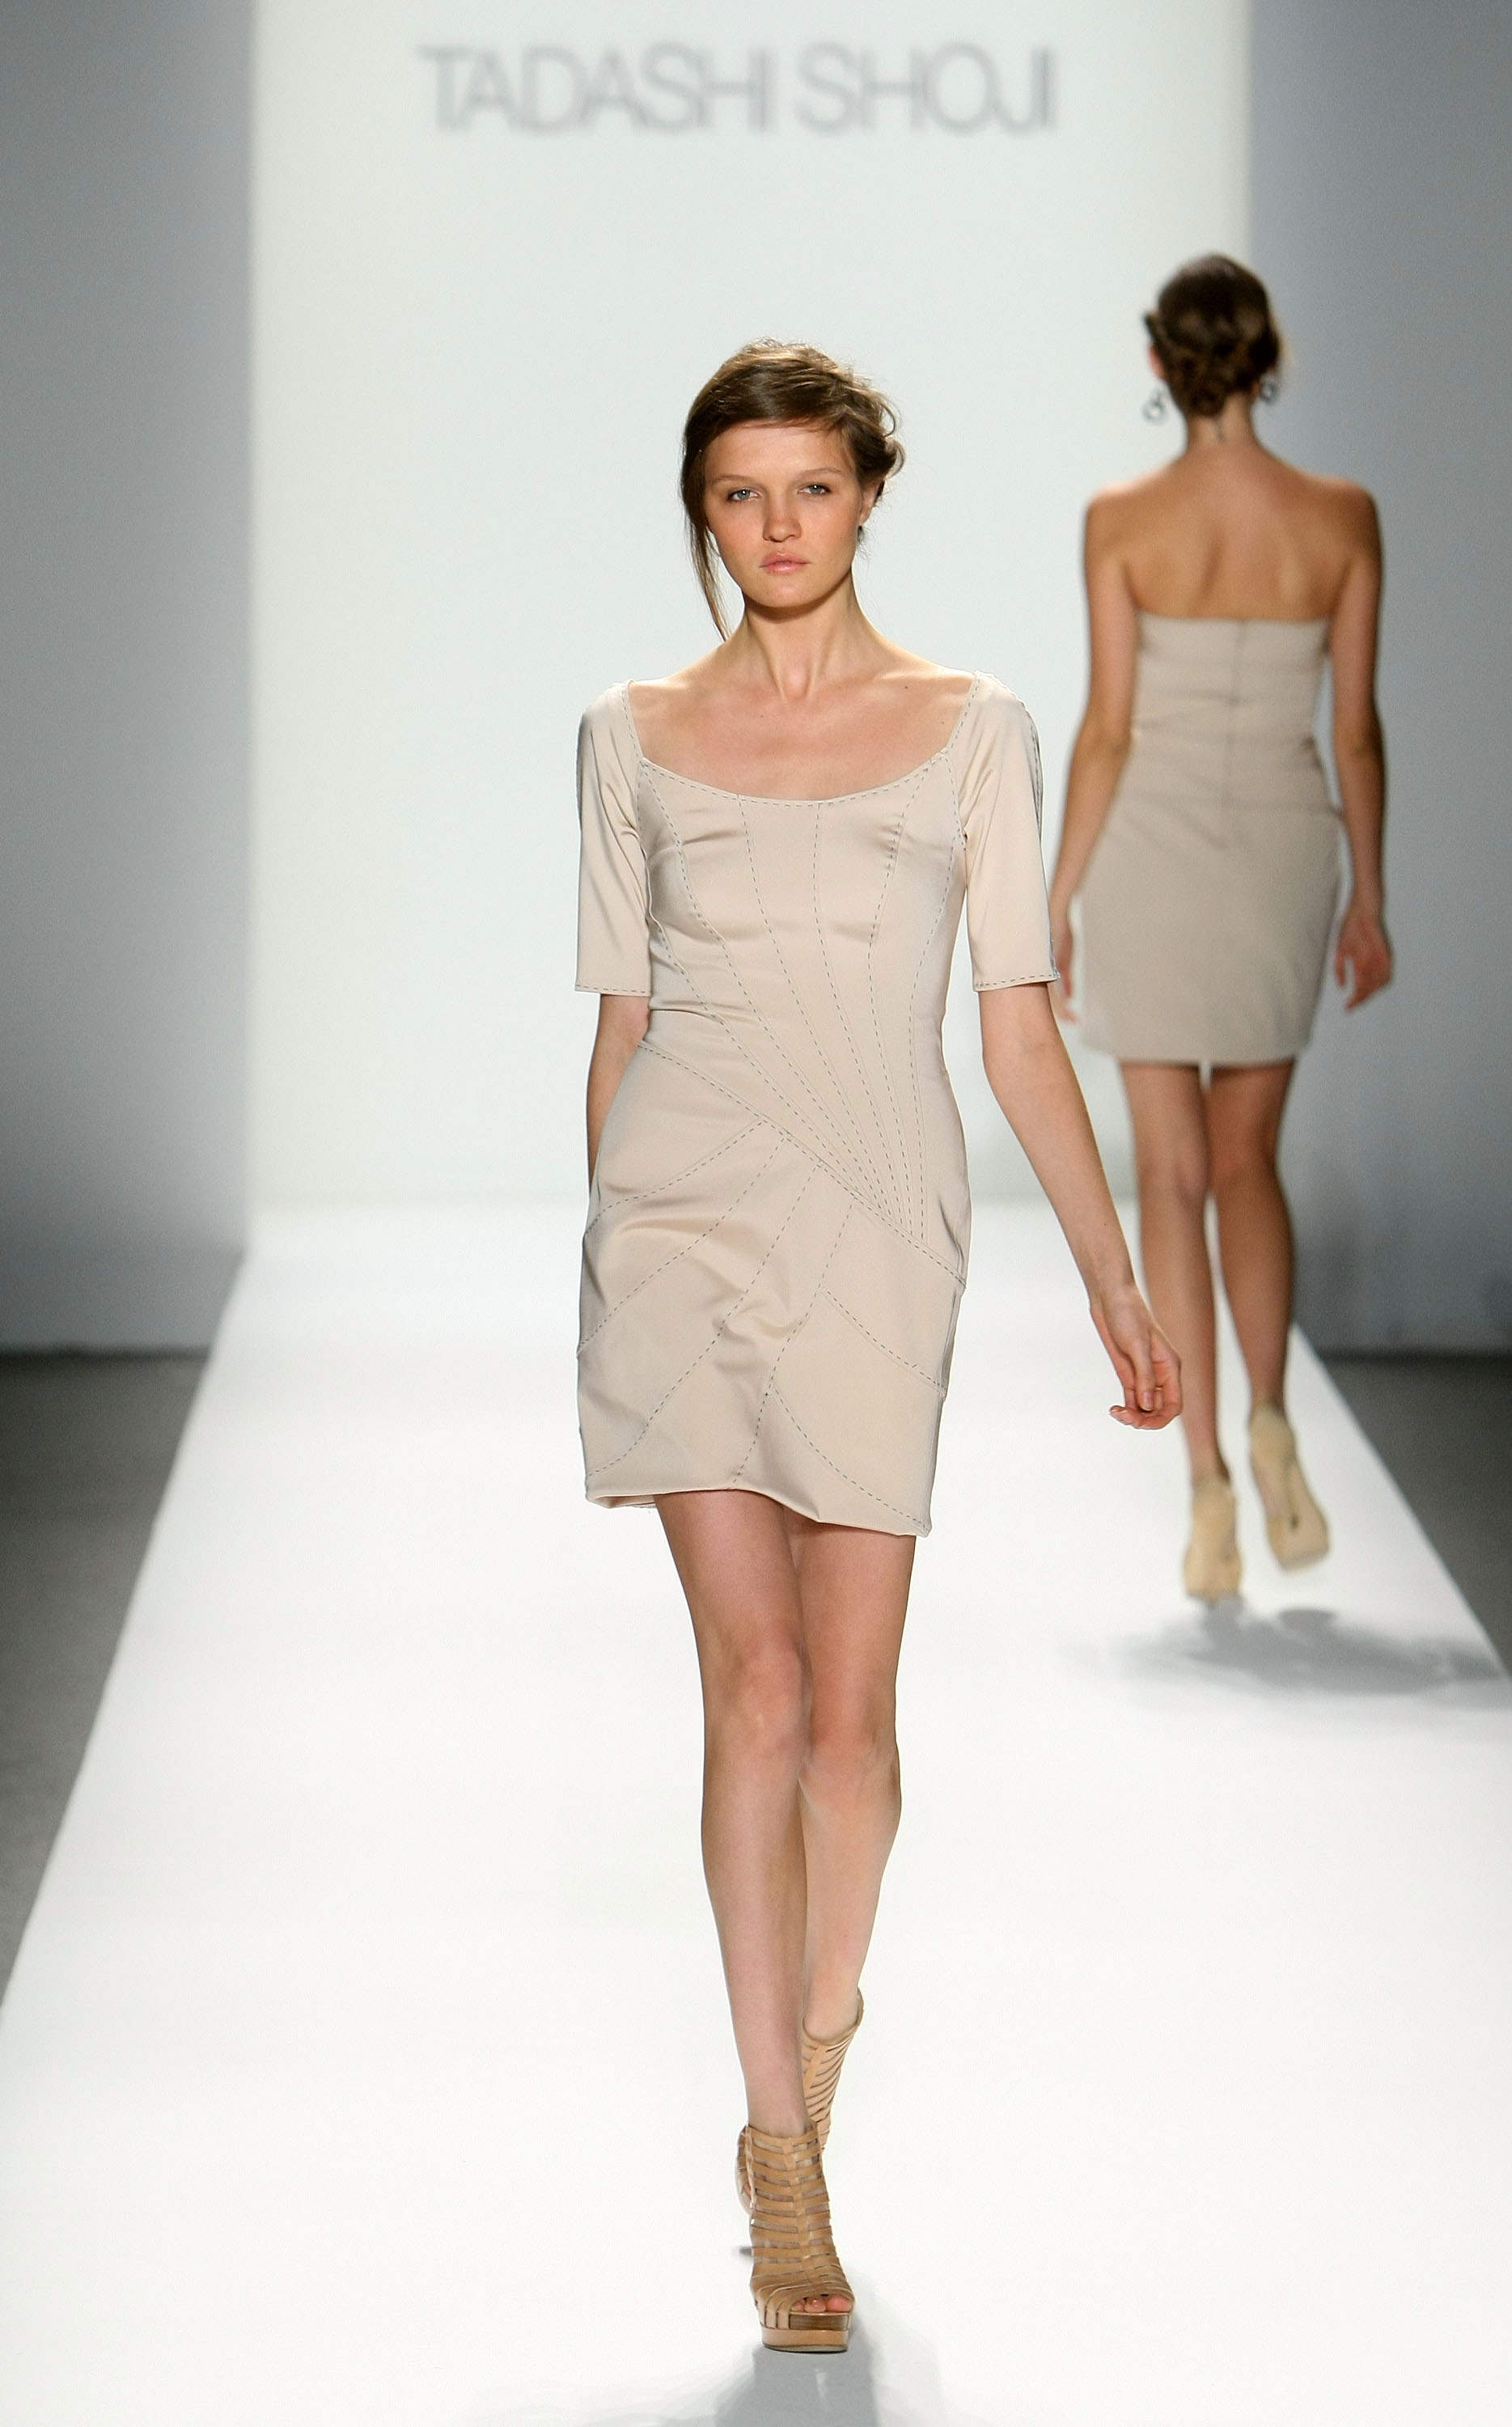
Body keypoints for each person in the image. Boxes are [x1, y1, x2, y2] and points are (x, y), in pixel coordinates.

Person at [575, 340, 1180, 2354]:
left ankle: (823, 2017)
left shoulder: (972, 728)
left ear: (867, 497)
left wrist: (1110, 1277)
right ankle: (780, 2156)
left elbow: (1016, 1027)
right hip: (680, 1225)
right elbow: (621, 1023)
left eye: (809, 489)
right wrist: (606, 1252)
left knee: (849, 1732)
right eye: (737, 494)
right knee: (748, 1691)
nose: (774, 526)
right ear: (700, 512)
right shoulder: (625, 733)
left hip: (875, 1235)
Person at [1049, 256, 1392, 1604]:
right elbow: (1352, 731)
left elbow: (1107, 729)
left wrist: (1056, 897)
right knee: (1250, 1161)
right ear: (1266, 356)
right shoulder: (1340, 515)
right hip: (1282, 844)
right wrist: (1369, 895)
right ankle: (1268, 1417)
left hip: (1147, 849)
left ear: (1159, 363)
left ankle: (1202, 1488)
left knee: (1171, 1174)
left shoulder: (1120, 518)